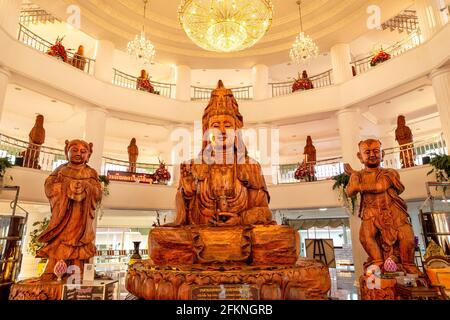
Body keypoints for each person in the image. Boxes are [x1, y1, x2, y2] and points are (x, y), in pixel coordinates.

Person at [173, 80, 273, 227]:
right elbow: (183, 216)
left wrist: (241, 219)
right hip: (203, 231)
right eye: (215, 126)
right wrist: (187, 194)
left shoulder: (251, 167)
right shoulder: (193, 166)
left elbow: (265, 212)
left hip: (239, 232)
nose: (222, 131)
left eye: (227, 125)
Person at [345, 139, 419, 275]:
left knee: (406, 236)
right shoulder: (358, 175)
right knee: (365, 237)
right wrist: (354, 176)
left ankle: (408, 263)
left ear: (382, 154)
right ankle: (378, 260)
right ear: (360, 157)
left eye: (376, 151)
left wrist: (358, 185)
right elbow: (349, 191)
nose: (372, 154)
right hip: (371, 211)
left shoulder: (389, 173)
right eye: (367, 152)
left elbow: (380, 186)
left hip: (392, 210)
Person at [37, 139, 102, 280]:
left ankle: (77, 272)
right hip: (63, 216)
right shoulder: (61, 170)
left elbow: (98, 193)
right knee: (59, 243)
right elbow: (49, 187)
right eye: (74, 150)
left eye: (83, 152)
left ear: (88, 155)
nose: (78, 154)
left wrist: (87, 188)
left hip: (81, 218)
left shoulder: (91, 173)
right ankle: (51, 270)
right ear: (67, 152)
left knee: (79, 245)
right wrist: (66, 187)